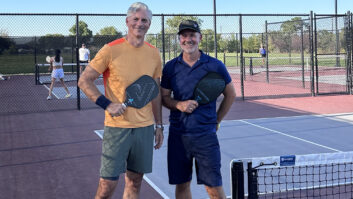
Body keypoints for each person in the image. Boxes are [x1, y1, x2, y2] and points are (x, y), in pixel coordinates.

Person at [78, 2, 164, 199]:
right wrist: (106, 104)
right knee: (107, 185)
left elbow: (155, 91)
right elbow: (84, 80)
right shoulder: (110, 50)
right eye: (136, 19)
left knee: (135, 181)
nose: (140, 24)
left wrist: (159, 125)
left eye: (144, 20)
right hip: (117, 128)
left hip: (144, 127)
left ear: (149, 24)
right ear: (127, 21)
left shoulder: (154, 53)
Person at [160, 20, 236, 199]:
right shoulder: (170, 67)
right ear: (179, 39)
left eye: (192, 35)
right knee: (182, 185)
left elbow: (230, 94)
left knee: (213, 187)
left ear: (200, 38)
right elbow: (164, 98)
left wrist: (216, 120)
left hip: (205, 136)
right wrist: (179, 104)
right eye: (184, 36)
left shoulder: (215, 65)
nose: (188, 39)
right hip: (178, 136)